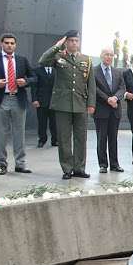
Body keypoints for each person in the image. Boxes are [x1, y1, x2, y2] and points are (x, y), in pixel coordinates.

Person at [39, 30, 96, 180]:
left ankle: (79, 168)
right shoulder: (58, 57)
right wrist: (56, 46)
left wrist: (91, 104)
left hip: (80, 103)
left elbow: (91, 85)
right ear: (66, 42)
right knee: (64, 138)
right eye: (71, 41)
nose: (74, 43)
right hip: (62, 104)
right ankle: (67, 168)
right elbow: (43, 61)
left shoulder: (86, 60)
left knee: (80, 138)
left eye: (76, 41)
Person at [0, 33, 36, 175]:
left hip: (18, 98)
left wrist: (26, 82)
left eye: (12, 43)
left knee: (19, 133)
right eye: (6, 43)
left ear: (15, 45)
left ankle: (20, 164)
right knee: (0, 134)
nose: (9, 45)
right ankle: (2, 164)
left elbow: (34, 77)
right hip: (0, 99)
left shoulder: (22, 60)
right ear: (1, 44)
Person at [93, 47, 125, 173]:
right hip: (101, 109)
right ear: (101, 55)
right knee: (101, 138)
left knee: (113, 138)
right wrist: (108, 99)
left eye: (111, 55)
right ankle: (103, 164)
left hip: (115, 110)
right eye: (107, 54)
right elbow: (94, 89)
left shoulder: (118, 72)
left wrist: (115, 98)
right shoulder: (94, 71)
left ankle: (114, 164)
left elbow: (122, 88)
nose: (109, 57)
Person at [31, 64, 57, 147]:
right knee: (42, 122)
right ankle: (42, 139)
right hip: (41, 101)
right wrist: (35, 99)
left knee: (54, 122)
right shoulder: (37, 71)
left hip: (54, 101)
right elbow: (34, 87)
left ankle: (55, 140)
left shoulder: (56, 71)